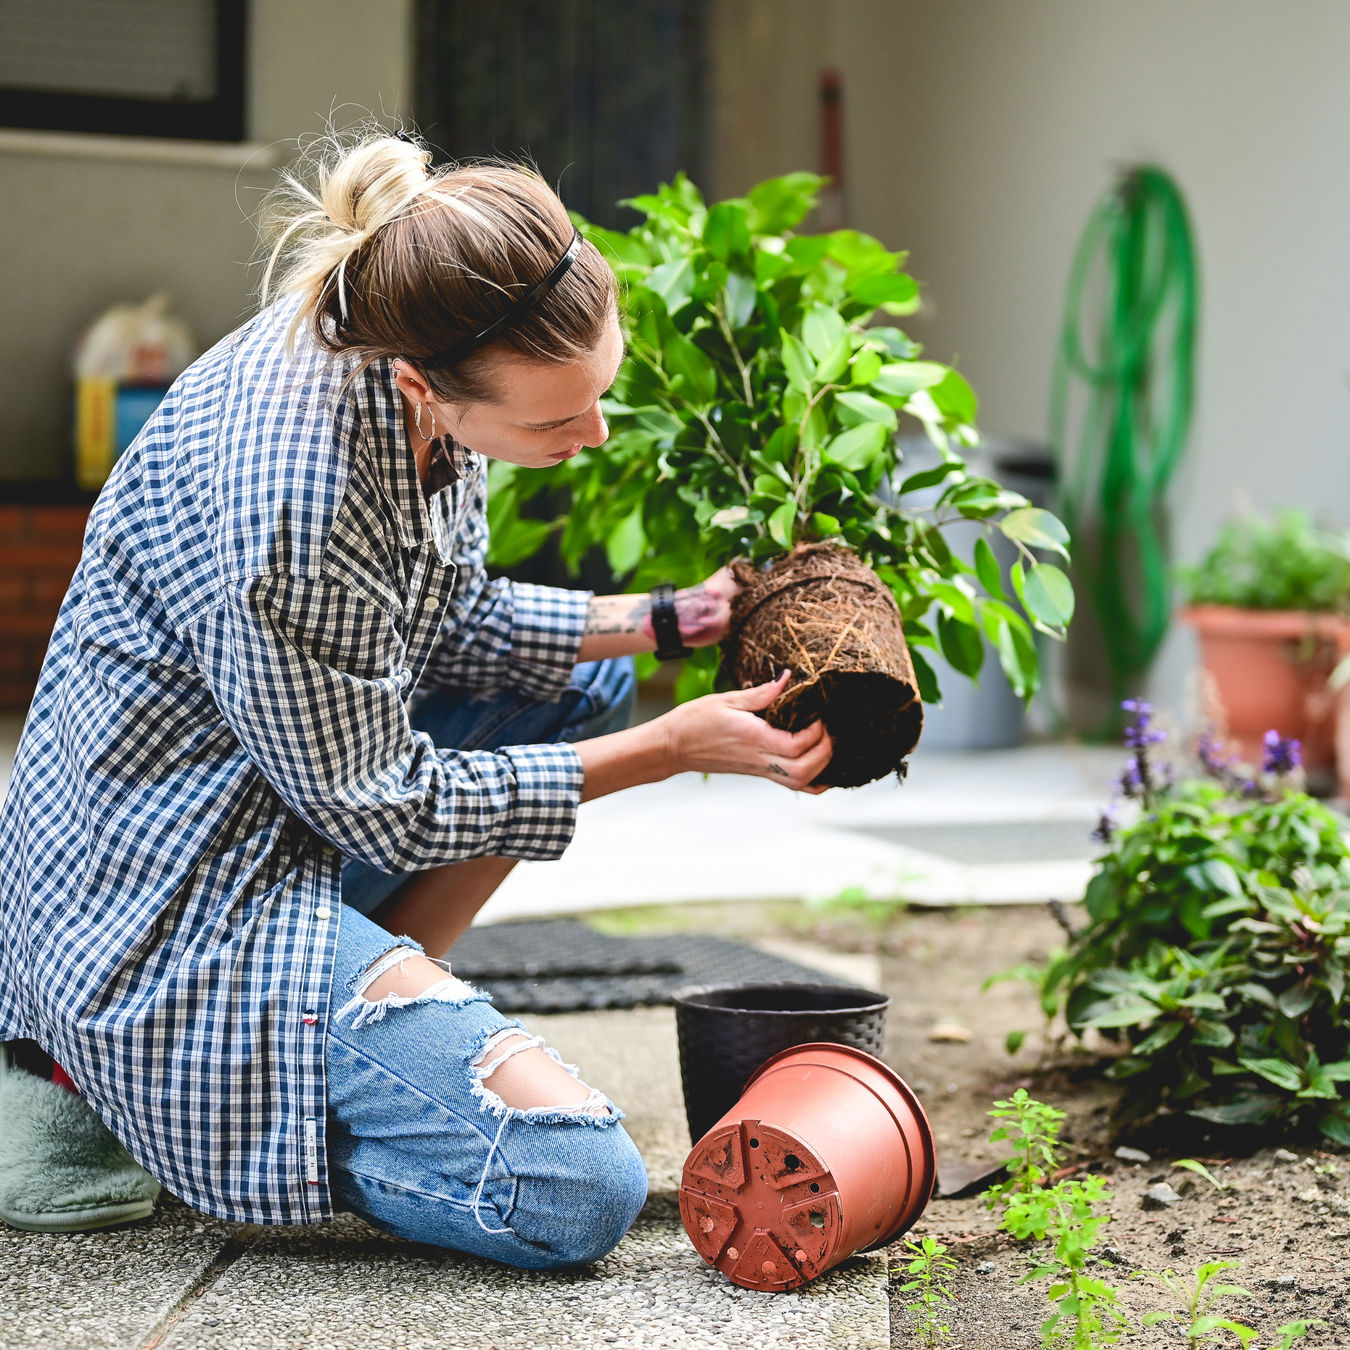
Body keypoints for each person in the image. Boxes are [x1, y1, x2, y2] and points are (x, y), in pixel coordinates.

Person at [0, 130, 833, 1264]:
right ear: (420, 383)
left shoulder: (424, 338)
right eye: (552, 423)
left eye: (600, 394)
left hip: (276, 793)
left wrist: (668, 618)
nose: (587, 438)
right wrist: (672, 748)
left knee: (587, 672)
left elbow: (441, 618)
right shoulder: (292, 508)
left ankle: (374, 1012)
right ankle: (151, 1083)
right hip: (168, 890)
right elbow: (380, 807)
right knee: (575, 1188)